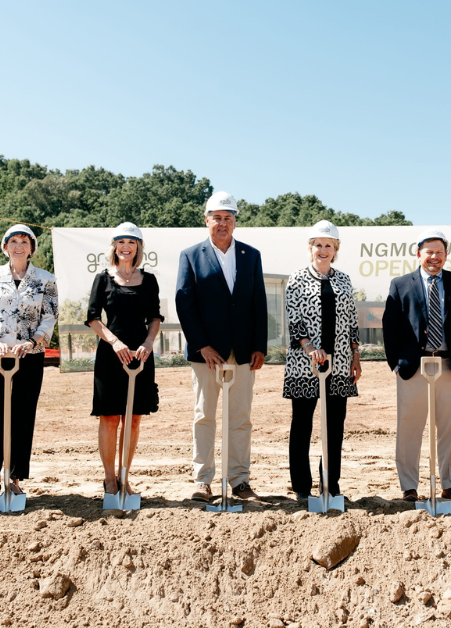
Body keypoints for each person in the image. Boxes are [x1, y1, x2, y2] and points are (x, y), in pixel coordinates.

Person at [176, 191, 268, 503]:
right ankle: (202, 481)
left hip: (243, 352)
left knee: (240, 417)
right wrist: (202, 346)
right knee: (205, 416)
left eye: (229, 218)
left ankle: (240, 481)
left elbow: (258, 303)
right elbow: (184, 303)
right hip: (207, 356)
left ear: (235, 222)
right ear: (207, 220)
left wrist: (259, 346)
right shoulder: (190, 255)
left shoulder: (250, 255)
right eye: (217, 217)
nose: (223, 223)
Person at [382, 229, 451, 503]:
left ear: (446, 255)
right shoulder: (401, 284)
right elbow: (390, 327)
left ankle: (449, 485)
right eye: (429, 252)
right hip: (414, 367)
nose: (434, 257)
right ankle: (409, 486)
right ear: (418, 254)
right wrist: (396, 364)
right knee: (410, 428)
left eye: (439, 252)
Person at [0, 224, 58, 499]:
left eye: (25, 241)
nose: (19, 246)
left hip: (29, 357)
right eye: (13, 241)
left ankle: (15, 477)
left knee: (22, 417)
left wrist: (33, 342)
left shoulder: (45, 279)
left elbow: (50, 315)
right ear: (5, 246)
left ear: (32, 248)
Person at [283, 221, 363, 500]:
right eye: (318, 244)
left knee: (334, 426)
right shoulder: (297, 279)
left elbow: (352, 320)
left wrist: (355, 354)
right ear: (310, 247)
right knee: (302, 423)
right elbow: (294, 319)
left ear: (336, 249)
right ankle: (302, 487)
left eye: (328, 245)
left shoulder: (344, 280)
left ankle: (331, 483)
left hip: (339, 363)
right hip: (305, 364)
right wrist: (309, 347)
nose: (323, 249)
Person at [86, 222, 163, 496]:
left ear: (138, 247)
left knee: (133, 419)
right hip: (110, 355)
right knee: (109, 417)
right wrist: (115, 342)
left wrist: (148, 343)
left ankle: (125, 478)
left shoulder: (149, 280)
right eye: (121, 242)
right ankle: (109, 479)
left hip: (141, 355)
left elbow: (154, 318)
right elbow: (93, 318)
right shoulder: (103, 279)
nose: (126, 247)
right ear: (114, 246)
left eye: (131, 243)